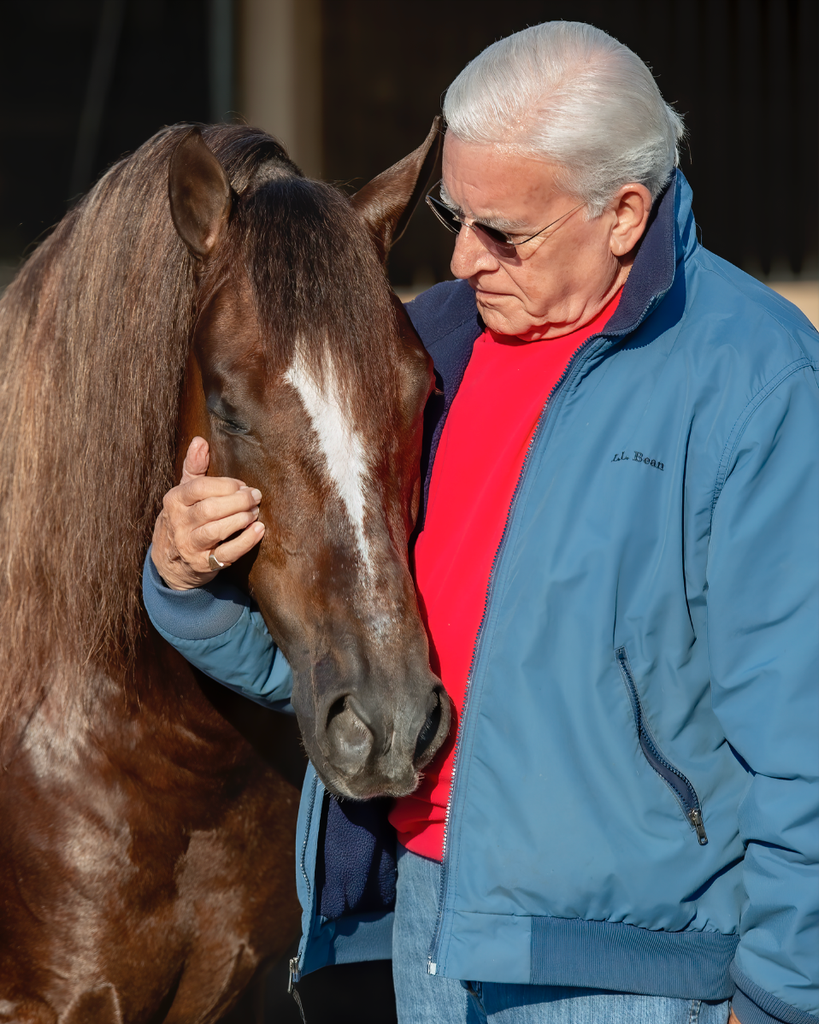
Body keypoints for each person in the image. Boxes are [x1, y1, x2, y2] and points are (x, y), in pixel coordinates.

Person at [143, 21, 818, 1024]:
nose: (460, 256)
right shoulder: (429, 352)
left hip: (630, 972)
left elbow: (799, 734)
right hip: (429, 929)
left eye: (503, 230)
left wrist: (777, 998)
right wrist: (190, 587)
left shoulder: (752, 380)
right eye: (454, 215)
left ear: (624, 214)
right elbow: (363, 654)